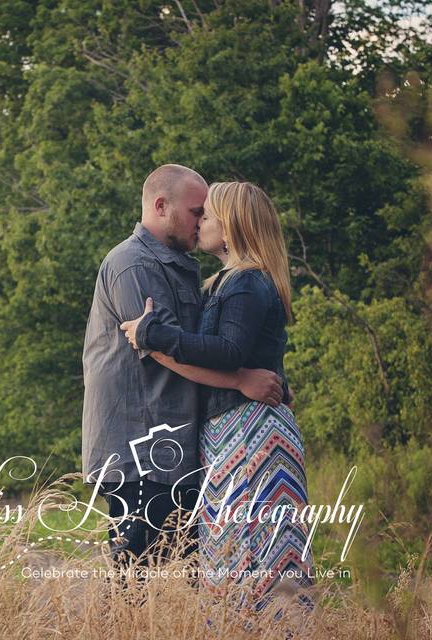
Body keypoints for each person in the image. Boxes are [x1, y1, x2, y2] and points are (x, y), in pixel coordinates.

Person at [81, 166, 286, 574]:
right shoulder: (132, 265)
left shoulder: (187, 267)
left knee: (187, 579)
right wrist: (241, 380)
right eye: (197, 212)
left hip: (177, 451)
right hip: (141, 450)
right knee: (137, 582)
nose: (201, 221)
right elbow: (162, 351)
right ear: (161, 206)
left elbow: (203, 345)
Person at [120, 180, 313, 609]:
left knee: (255, 554)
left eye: (207, 215)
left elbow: (229, 352)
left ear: (230, 228)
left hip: (250, 434)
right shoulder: (227, 281)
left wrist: (153, 332)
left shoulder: (244, 282)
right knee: (239, 553)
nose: (200, 222)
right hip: (236, 430)